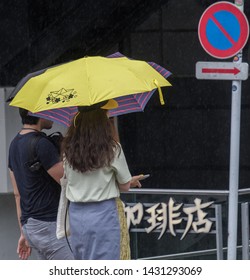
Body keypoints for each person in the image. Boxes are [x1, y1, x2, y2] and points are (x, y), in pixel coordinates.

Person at [61, 99, 143, 260]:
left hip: (77, 214)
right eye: (107, 115)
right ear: (101, 121)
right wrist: (131, 181)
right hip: (103, 214)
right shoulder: (112, 148)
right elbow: (125, 186)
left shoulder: (68, 149)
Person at [8, 108, 74, 260]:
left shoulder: (14, 144)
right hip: (49, 225)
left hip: (30, 227)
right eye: (49, 109)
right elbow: (68, 182)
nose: (53, 113)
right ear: (36, 112)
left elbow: (17, 194)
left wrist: (23, 233)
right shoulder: (41, 144)